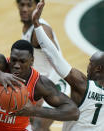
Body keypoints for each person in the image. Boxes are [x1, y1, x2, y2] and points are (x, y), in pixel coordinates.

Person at [32, 0, 104, 131]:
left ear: (98, 68)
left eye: (90, 63)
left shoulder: (83, 84)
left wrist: (37, 26)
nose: (88, 67)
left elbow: (55, 57)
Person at [15, 0, 71, 130]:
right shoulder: (27, 27)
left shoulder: (40, 31)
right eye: (22, 5)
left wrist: (42, 91)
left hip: (55, 86)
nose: (24, 9)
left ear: (37, 7)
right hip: (39, 85)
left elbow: (59, 63)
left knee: (37, 126)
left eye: (29, 5)